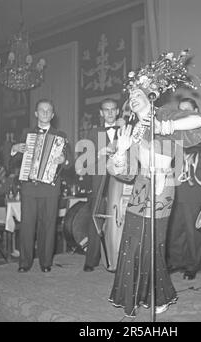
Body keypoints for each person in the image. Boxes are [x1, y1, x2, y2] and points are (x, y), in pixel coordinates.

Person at [107, 51, 201, 317]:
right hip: (140, 188)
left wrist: (164, 128)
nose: (134, 99)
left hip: (163, 186)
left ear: (150, 96)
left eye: (138, 95)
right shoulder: (132, 128)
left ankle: (160, 295)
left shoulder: (164, 114)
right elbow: (123, 172)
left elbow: (199, 122)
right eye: (131, 97)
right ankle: (135, 296)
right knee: (131, 242)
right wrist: (121, 151)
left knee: (153, 245)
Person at [11, 99, 72, 273]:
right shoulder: (26, 133)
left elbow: (70, 162)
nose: (45, 113)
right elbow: (14, 161)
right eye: (41, 110)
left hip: (50, 187)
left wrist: (63, 160)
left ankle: (46, 262)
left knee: (48, 225)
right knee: (27, 226)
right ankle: (24, 262)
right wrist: (15, 149)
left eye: (48, 111)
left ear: (53, 115)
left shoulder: (61, 135)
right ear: (36, 113)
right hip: (29, 186)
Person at [166, 98, 201, 280]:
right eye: (180, 110)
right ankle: (175, 261)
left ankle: (192, 264)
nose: (182, 114)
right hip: (175, 186)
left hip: (195, 186)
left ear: (197, 111)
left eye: (187, 110)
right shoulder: (175, 133)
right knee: (175, 227)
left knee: (192, 229)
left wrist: (192, 158)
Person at [76, 98, 124, 272]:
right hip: (100, 180)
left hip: (121, 180)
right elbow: (83, 162)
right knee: (96, 217)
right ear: (101, 113)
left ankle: (119, 258)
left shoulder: (126, 130)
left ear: (117, 111)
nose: (110, 113)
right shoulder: (93, 133)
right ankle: (91, 260)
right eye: (106, 110)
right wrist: (99, 153)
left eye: (113, 109)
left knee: (121, 219)